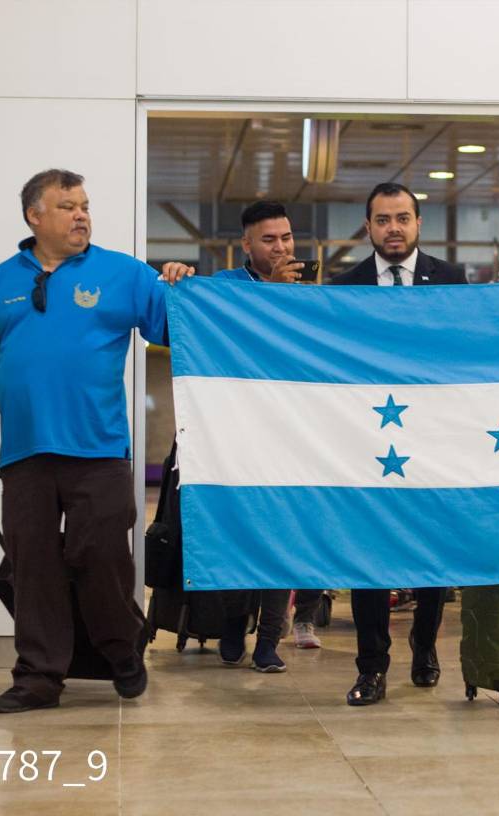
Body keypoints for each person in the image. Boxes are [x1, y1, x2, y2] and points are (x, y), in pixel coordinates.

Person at [0, 169, 195, 713]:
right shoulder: (2, 280)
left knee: (102, 557)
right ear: (35, 216)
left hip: (98, 449)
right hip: (24, 454)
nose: (82, 215)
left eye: (85, 205)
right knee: (33, 567)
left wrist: (179, 287)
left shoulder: (122, 274)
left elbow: (172, 329)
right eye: (67, 206)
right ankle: (38, 677)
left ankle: (122, 650)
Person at [330, 182, 467, 706]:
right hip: (369, 440)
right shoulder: (346, 287)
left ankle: (425, 645)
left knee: (432, 551)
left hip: (434, 438)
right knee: (371, 555)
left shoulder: (452, 281)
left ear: (417, 223)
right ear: (368, 227)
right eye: (383, 219)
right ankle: (372, 667)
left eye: (402, 218)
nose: (393, 228)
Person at [210, 201, 325, 666]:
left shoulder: (309, 292)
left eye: (286, 238)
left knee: (285, 540)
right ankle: (233, 626)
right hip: (236, 434)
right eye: (269, 239)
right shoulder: (224, 287)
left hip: (292, 434)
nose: (280, 248)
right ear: (246, 245)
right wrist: (273, 295)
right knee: (240, 537)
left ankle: (268, 644)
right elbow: (225, 334)